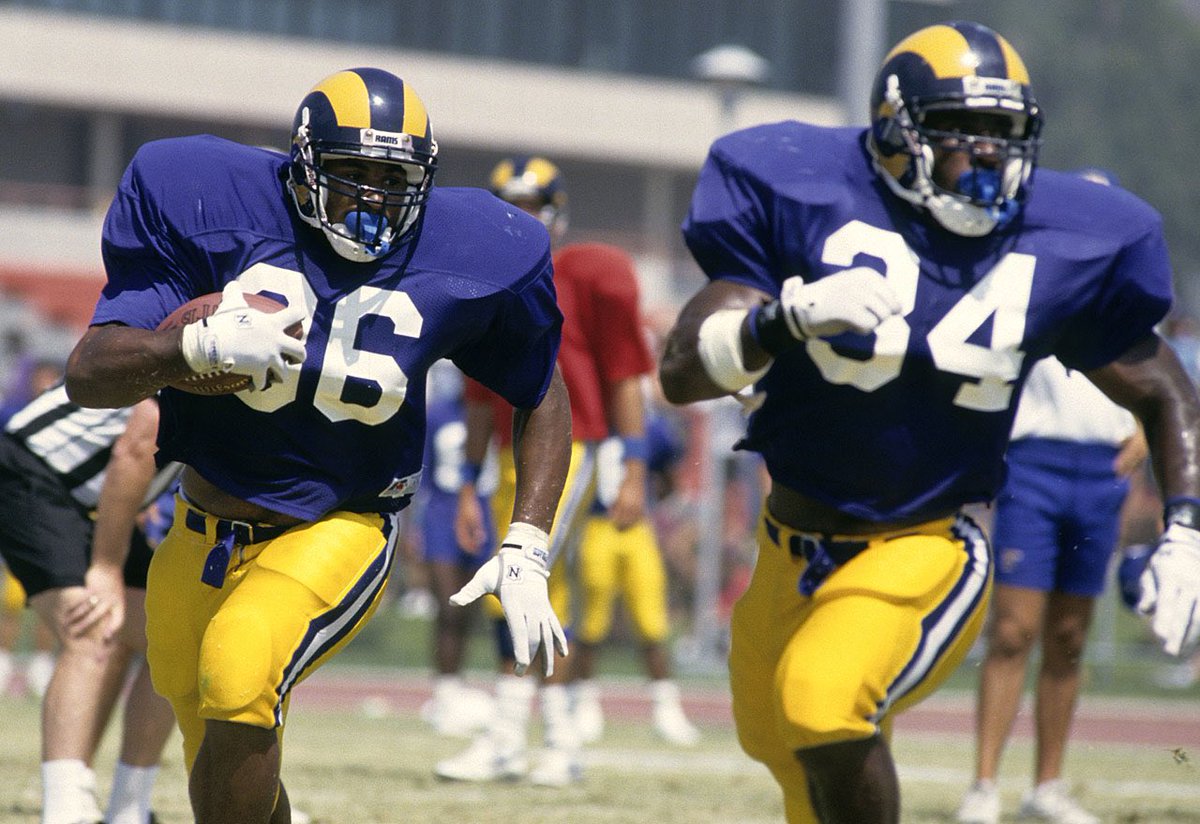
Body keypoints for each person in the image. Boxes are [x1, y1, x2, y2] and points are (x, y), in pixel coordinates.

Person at [656, 20, 1200, 824]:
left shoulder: (1055, 240)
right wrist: (783, 320)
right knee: (778, 740)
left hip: (923, 544)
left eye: (1003, 132)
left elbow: (1163, 387)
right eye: (961, 128)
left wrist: (1186, 528)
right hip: (787, 540)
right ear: (895, 129)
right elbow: (681, 372)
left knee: (822, 701)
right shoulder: (805, 192)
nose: (987, 153)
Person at [63, 67, 572, 824]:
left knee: (240, 672)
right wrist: (194, 347)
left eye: (393, 178)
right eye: (353, 171)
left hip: (339, 522)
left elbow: (541, 392)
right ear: (303, 163)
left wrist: (527, 540)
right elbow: (88, 373)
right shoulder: (204, 201)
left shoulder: (478, 246)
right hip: (198, 528)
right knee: (221, 744)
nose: (373, 197)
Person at [436, 155, 656, 786]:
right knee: (529, 598)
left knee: (524, 582)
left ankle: (508, 737)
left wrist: (634, 465)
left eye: (530, 207)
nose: (518, 219)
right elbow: (480, 398)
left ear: (556, 214)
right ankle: (559, 740)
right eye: (509, 206)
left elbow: (624, 375)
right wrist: (469, 483)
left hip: (572, 448)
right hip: (508, 458)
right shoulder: (483, 280)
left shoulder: (585, 274)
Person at [955, 353, 1146, 824]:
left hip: (1105, 467)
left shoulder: (1128, 307)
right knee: (1012, 632)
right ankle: (983, 786)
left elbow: (1151, 370)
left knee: (1069, 637)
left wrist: (1145, 426)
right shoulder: (1029, 303)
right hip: (1032, 460)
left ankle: (1047, 787)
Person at [0, 384, 180, 824]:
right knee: (91, 627)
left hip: (87, 500)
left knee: (176, 639)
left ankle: (128, 807)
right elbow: (139, 443)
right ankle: (65, 810)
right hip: (30, 469)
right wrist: (106, 566)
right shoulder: (220, 363)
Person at [571, 411, 701, 747]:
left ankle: (666, 709)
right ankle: (584, 702)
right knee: (591, 621)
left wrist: (654, 495)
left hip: (638, 528)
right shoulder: (591, 418)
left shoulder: (650, 425)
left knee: (651, 621)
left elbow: (669, 470)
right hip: (597, 524)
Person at [416, 359, 495, 737]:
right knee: (448, 607)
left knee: (473, 611)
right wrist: (416, 527)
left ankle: (461, 684)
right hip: (442, 515)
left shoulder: (496, 410)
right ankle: (445, 689)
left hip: (486, 514)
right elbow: (422, 475)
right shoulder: (438, 413)